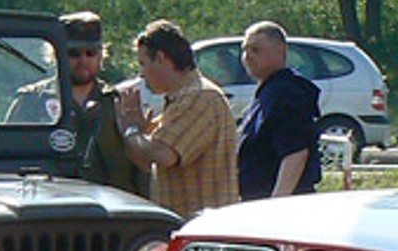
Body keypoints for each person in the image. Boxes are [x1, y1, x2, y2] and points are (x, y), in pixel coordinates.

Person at [8, 12, 144, 196]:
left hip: (108, 207)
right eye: (73, 54)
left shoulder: (117, 102)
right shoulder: (32, 101)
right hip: (47, 202)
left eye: (91, 53)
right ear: (56, 55)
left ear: (101, 56)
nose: (83, 61)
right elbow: (9, 156)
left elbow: (139, 164)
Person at [115, 19, 239, 217]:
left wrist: (133, 131)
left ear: (161, 58)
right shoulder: (179, 101)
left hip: (203, 229)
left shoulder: (200, 97)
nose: (142, 74)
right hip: (185, 224)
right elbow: (146, 161)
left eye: (143, 63)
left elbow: (165, 155)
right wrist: (137, 132)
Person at [236, 21, 320, 200]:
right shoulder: (268, 92)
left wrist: (276, 204)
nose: (247, 56)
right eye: (245, 50)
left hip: (285, 208)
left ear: (281, 51)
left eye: (256, 50)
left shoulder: (286, 93)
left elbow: (296, 152)